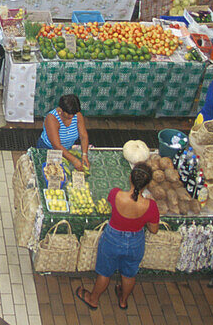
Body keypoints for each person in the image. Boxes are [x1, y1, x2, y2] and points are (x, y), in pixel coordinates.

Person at [75, 164, 159, 311]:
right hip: (135, 243)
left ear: (130, 178)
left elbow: (110, 205)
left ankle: (93, 299)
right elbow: (154, 229)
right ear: (148, 184)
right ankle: (123, 300)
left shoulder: (116, 194)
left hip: (112, 239)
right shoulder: (151, 205)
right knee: (129, 274)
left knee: (104, 273)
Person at [37, 94, 90, 171]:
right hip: (48, 149)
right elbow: (57, 146)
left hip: (66, 150)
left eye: (73, 114)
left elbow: (83, 136)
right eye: (68, 114)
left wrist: (84, 154)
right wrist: (74, 160)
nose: (71, 116)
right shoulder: (52, 118)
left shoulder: (77, 115)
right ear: (61, 109)